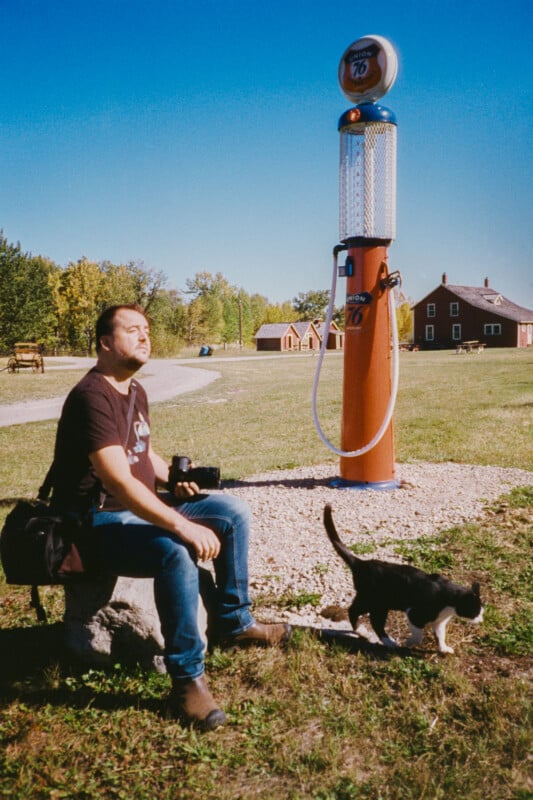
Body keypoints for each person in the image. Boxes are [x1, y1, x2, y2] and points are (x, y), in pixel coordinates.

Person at [51, 304, 291, 731]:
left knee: (231, 511)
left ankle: (236, 622)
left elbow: (144, 454)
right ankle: (186, 681)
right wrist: (180, 523)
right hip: (97, 522)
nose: (144, 337)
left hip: (136, 506)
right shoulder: (91, 395)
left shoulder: (135, 391)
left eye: (146, 330)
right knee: (174, 551)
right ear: (105, 343)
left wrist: (175, 479)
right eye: (132, 330)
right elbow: (118, 482)